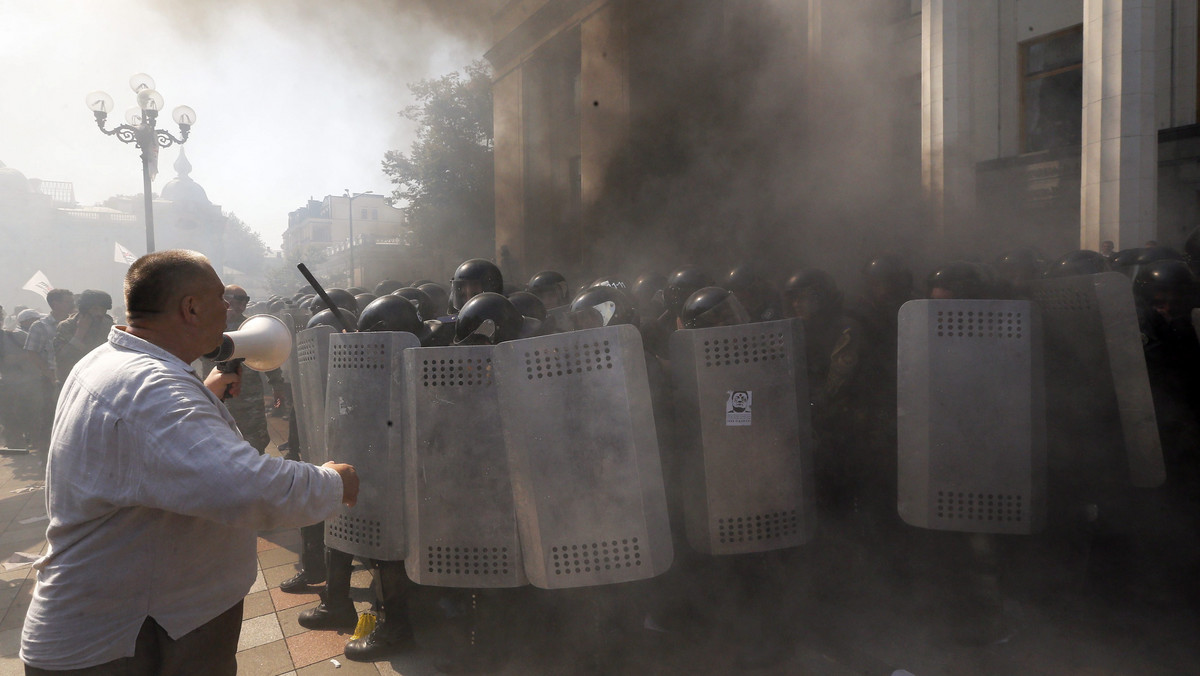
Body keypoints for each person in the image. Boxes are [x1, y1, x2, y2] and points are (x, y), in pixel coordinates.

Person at [20, 250, 360, 675]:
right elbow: (247, 487)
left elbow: (149, 444)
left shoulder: (109, 360)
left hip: (143, 618)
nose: (229, 310)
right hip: (131, 641)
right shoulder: (150, 388)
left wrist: (204, 392)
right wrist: (332, 482)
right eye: (220, 298)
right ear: (192, 308)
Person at [200, 285, 286, 455]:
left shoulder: (251, 327)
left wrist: (277, 385)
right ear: (225, 300)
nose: (243, 304)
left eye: (245, 300)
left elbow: (267, 352)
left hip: (248, 395)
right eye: (239, 299)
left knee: (255, 438)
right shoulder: (208, 326)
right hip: (216, 393)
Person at [24, 288, 74, 452]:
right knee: (51, 415)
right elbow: (32, 353)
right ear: (55, 304)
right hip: (51, 379)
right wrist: (51, 375)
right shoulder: (40, 326)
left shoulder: (76, 324)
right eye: (67, 301)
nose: (72, 304)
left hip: (74, 376)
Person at [52, 289, 114, 385]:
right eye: (95, 309)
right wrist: (80, 332)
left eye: (103, 309)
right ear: (84, 309)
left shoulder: (109, 326)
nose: (100, 313)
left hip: (100, 380)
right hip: (71, 381)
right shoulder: (67, 326)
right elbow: (62, 357)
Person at [0, 307, 40, 449]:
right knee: (7, 417)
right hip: (6, 385)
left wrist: (18, 358)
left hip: (22, 384)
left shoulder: (16, 336)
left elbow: (38, 353)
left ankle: (29, 443)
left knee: (23, 414)